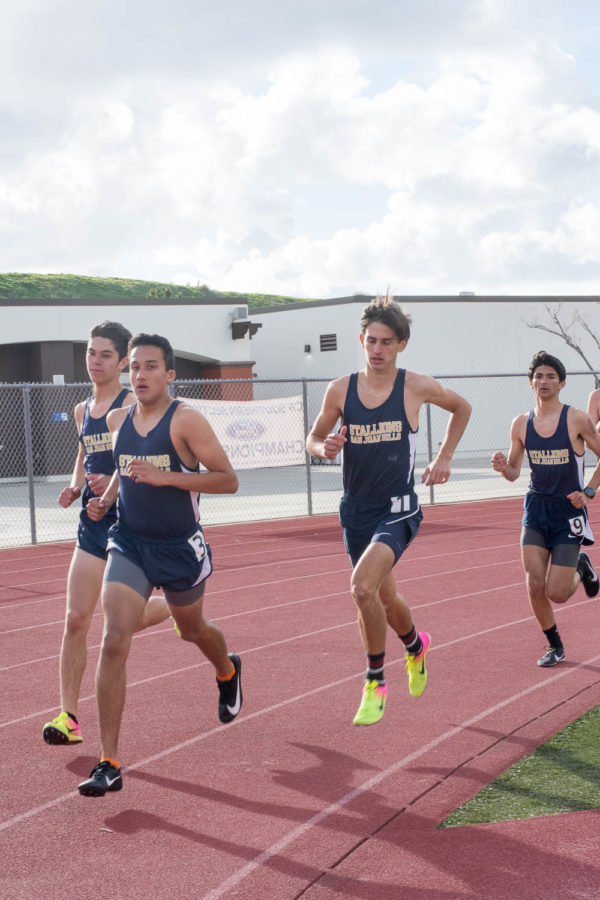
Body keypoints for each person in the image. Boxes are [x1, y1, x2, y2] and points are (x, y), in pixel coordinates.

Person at [78, 333, 241, 797]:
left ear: (170, 374)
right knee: (113, 639)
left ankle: (227, 669)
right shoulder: (117, 418)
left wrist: (165, 476)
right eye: (135, 368)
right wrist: (104, 499)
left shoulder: (186, 420)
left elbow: (228, 481)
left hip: (178, 547)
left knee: (193, 630)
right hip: (128, 541)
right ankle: (109, 762)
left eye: (151, 367)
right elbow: (127, 473)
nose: (141, 375)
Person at [305, 294, 471, 726]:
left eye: (387, 342)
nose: (377, 350)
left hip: (399, 508)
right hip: (355, 510)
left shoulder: (415, 386)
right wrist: (325, 448)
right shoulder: (340, 390)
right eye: (371, 341)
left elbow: (462, 407)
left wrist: (445, 456)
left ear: (402, 345)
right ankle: (416, 647)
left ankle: (375, 681)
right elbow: (313, 439)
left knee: (361, 588)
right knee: (384, 597)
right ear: (361, 340)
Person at [43, 321, 170, 746]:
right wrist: (76, 485)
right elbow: (84, 451)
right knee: (75, 618)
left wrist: (112, 489)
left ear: (121, 362)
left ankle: (174, 606)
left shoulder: (131, 404)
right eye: (91, 354)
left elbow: (138, 457)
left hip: (126, 524)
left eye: (105, 355)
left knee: (119, 625)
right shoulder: (83, 410)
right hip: (90, 523)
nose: (95, 362)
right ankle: (68, 717)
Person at [492, 350, 600, 667]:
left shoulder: (576, 419)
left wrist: (589, 491)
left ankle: (581, 566)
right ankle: (554, 645)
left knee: (557, 592)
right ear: (530, 382)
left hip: (568, 512)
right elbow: (514, 472)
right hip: (536, 510)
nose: (544, 381)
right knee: (534, 583)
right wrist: (502, 467)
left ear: (562, 383)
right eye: (539, 375)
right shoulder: (521, 424)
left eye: (551, 376)